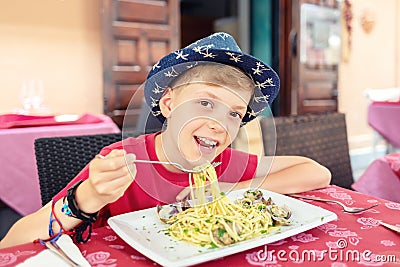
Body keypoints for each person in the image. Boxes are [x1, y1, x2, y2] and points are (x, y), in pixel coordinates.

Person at [0, 32, 331, 248]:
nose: (219, 124)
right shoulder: (123, 160)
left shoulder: (223, 164)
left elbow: (317, 172)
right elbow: (13, 241)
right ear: (169, 104)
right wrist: (86, 198)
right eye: (205, 103)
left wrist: (237, 191)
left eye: (234, 113)